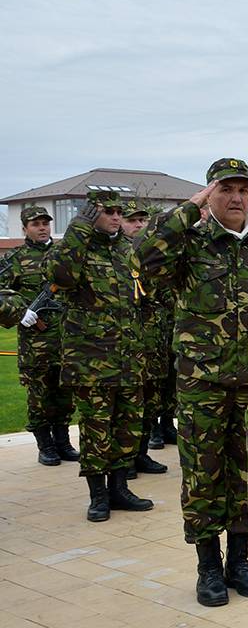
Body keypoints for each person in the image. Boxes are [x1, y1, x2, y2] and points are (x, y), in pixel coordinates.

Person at [135, 157, 248, 607]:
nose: (236, 198)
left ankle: (240, 562)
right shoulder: (190, 243)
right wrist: (190, 208)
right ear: (210, 195)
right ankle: (208, 565)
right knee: (203, 475)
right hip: (201, 384)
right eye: (225, 189)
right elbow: (144, 252)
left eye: (243, 189)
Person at [46, 189, 153, 521]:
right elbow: (60, 276)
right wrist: (79, 228)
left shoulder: (126, 251)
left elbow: (144, 297)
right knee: (96, 431)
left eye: (119, 212)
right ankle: (98, 496)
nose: (117, 217)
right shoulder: (75, 252)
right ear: (92, 215)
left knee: (128, 428)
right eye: (109, 212)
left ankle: (120, 489)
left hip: (130, 359)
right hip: (91, 363)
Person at [0, 206, 78, 466]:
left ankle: (63, 442)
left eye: (45, 223)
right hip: (36, 342)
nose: (42, 227)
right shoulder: (14, 259)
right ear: (25, 229)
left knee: (65, 395)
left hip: (67, 339)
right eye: (36, 224)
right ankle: (45, 446)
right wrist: (19, 312)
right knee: (40, 397)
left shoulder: (62, 255)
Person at [122, 201, 171, 479]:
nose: (139, 225)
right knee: (130, 405)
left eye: (142, 220)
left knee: (152, 402)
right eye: (133, 220)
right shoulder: (118, 256)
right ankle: (124, 460)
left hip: (156, 341)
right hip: (130, 344)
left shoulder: (153, 255)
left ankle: (141, 454)